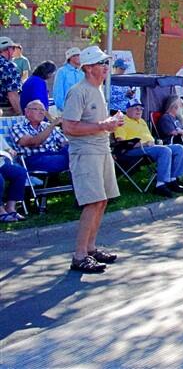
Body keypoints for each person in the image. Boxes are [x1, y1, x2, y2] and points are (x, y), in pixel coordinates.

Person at [61, 46, 124, 273]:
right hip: (85, 153)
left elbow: (94, 122)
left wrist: (111, 122)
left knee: (102, 199)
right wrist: (103, 125)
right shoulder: (79, 91)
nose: (106, 67)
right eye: (101, 63)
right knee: (92, 201)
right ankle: (79, 255)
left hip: (101, 149)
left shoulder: (96, 89)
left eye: (106, 63)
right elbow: (69, 126)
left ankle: (90, 248)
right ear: (87, 68)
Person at [114, 101, 183, 198]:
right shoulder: (122, 121)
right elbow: (122, 143)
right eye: (136, 108)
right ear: (127, 109)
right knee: (164, 151)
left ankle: (172, 180)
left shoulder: (142, 121)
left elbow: (149, 138)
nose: (139, 111)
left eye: (141, 109)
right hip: (133, 151)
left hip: (150, 147)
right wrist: (143, 144)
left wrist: (154, 142)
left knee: (179, 148)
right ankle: (160, 185)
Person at [10, 100, 70, 173]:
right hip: (33, 158)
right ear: (27, 111)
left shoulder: (46, 126)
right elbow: (33, 143)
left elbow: (64, 143)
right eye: (37, 109)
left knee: (76, 150)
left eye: (43, 110)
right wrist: (52, 125)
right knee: (72, 159)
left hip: (53, 154)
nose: (41, 112)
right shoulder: (18, 127)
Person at [0, 136, 27, 222]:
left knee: (20, 172)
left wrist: (10, 151)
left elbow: (6, 148)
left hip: (1, 164)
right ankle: (0, 211)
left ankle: (10, 207)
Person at [52, 47, 83, 113]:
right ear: (70, 58)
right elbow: (58, 93)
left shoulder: (83, 72)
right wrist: (65, 109)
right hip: (66, 111)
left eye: (79, 55)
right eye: (76, 55)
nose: (79, 57)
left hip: (82, 111)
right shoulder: (62, 71)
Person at [0, 37, 23, 116]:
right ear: (7, 49)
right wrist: (19, 113)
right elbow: (12, 93)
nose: (14, 51)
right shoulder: (9, 66)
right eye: (13, 48)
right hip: (4, 110)